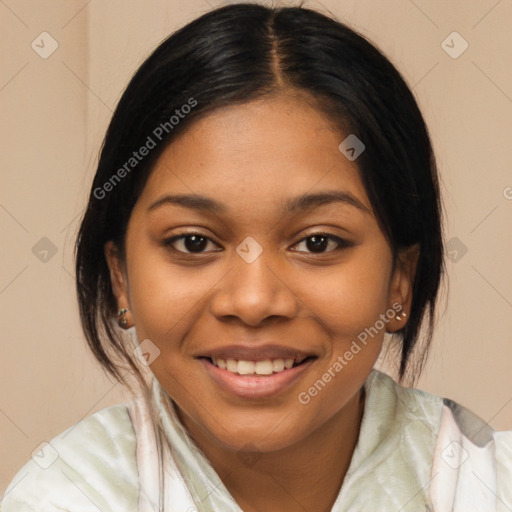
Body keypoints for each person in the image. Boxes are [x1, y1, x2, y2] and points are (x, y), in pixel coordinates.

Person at [2, 3, 511, 511]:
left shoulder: (488, 485)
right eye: (193, 242)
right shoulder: (66, 496)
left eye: (318, 242)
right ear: (120, 278)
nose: (252, 301)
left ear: (400, 279)